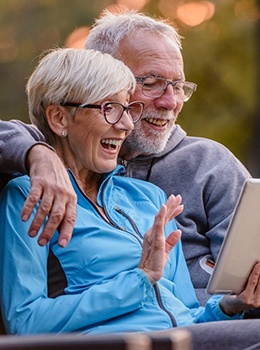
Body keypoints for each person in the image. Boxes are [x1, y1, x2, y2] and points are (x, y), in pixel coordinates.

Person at [0, 47, 259, 336]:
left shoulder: (149, 198)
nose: (125, 125)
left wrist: (229, 306)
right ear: (59, 118)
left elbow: (187, 316)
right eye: (109, 109)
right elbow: (25, 321)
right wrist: (140, 278)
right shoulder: (28, 197)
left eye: (127, 109)